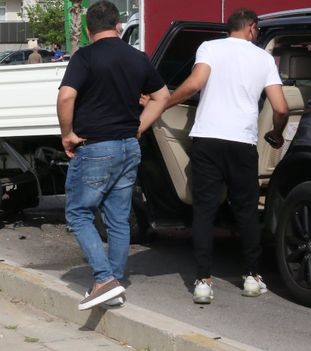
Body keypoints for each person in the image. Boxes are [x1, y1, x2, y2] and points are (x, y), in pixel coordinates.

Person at [163, 8, 288, 303]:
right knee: (245, 211)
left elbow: (195, 84)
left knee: (204, 210)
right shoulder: (264, 58)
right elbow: (281, 108)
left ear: (230, 28)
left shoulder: (210, 47)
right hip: (242, 142)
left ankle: (203, 282)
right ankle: (252, 278)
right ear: (253, 28)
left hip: (207, 139)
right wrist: (277, 133)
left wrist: (164, 103)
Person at [57, 0, 169, 310]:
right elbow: (163, 97)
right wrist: (140, 127)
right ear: (118, 25)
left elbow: (66, 96)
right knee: (118, 218)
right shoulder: (137, 58)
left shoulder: (85, 57)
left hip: (95, 147)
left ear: (88, 29)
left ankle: (104, 279)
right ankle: (114, 285)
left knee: (78, 214)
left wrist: (67, 134)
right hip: (128, 146)